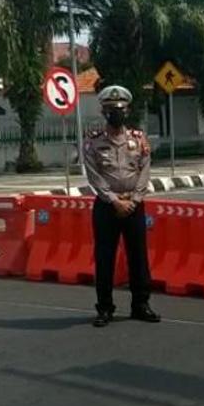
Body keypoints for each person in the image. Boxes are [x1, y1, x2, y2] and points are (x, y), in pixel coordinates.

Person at [84, 85, 160, 327]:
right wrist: (115, 201)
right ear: (103, 112)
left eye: (119, 109)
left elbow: (144, 172)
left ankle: (141, 305)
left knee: (138, 256)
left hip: (134, 205)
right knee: (105, 258)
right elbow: (94, 175)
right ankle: (105, 308)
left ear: (127, 111)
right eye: (110, 110)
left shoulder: (138, 140)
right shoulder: (93, 142)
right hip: (107, 206)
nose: (115, 113)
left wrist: (133, 201)